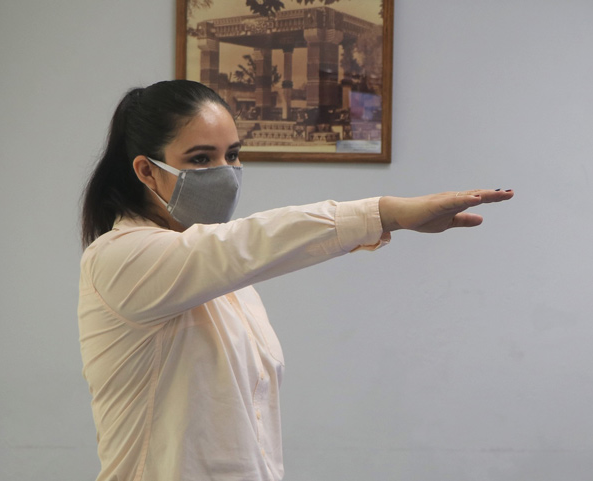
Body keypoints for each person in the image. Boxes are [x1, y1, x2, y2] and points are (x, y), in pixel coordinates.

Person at [78, 80, 513, 481]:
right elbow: (248, 243)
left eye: (232, 154)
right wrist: (386, 213)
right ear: (146, 171)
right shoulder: (119, 258)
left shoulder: (229, 283)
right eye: (201, 159)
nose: (225, 171)